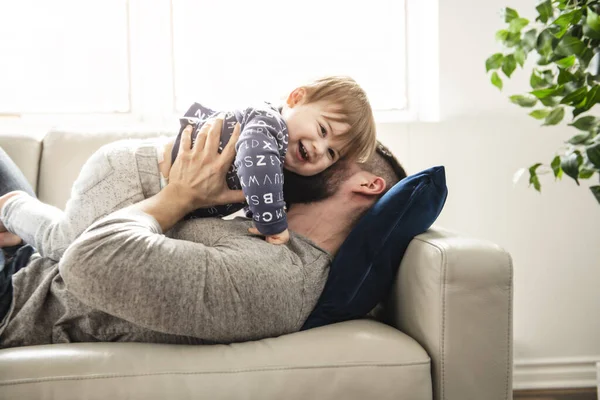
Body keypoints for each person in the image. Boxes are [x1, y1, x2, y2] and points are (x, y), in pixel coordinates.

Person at [0, 117, 405, 348]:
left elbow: (87, 261)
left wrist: (181, 196)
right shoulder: (272, 228)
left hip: (14, 300)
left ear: (369, 184)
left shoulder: (278, 278)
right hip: (32, 253)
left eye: (337, 150)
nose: (314, 148)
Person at [0, 77, 376, 265]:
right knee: (68, 246)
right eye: (323, 131)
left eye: (331, 154)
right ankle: (14, 206)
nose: (318, 150)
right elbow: (255, 169)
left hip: (146, 188)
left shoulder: (283, 154)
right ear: (296, 98)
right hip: (132, 173)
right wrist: (272, 224)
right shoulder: (267, 126)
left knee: (79, 255)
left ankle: (19, 242)